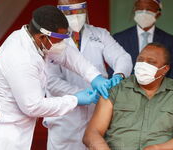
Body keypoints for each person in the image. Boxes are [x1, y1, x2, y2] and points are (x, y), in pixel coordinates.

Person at [0, 5, 111, 150]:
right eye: (60, 39)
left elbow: (68, 55)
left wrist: (95, 76)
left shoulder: (33, 38)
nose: (62, 43)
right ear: (43, 37)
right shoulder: (20, 57)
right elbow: (33, 106)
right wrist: (75, 99)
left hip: (6, 121)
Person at [43, 0, 133, 150]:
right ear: (60, 13)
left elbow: (122, 58)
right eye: (70, 13)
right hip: (66, 119)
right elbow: (51, 81)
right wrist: (79, 95)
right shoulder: (51, 39)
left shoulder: (100, 34)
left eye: (79, 11)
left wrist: (119, 75)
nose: (76, 16)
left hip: (98, 113)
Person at [83, 43, 173, 150]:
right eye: (140, 60)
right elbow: (92, 133)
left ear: (165, 69)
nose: (143, 65)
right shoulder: (116, 89)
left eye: (151, 62)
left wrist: (157, 148)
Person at [112, 0, 173, 82]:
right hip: (126, 91)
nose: (144, 12)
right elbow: (113, 71)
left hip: (159, 92)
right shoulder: (120, 38)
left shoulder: (169, 41)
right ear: (134, 10)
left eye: (149, 9)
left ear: (158, 14)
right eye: (140, 8)